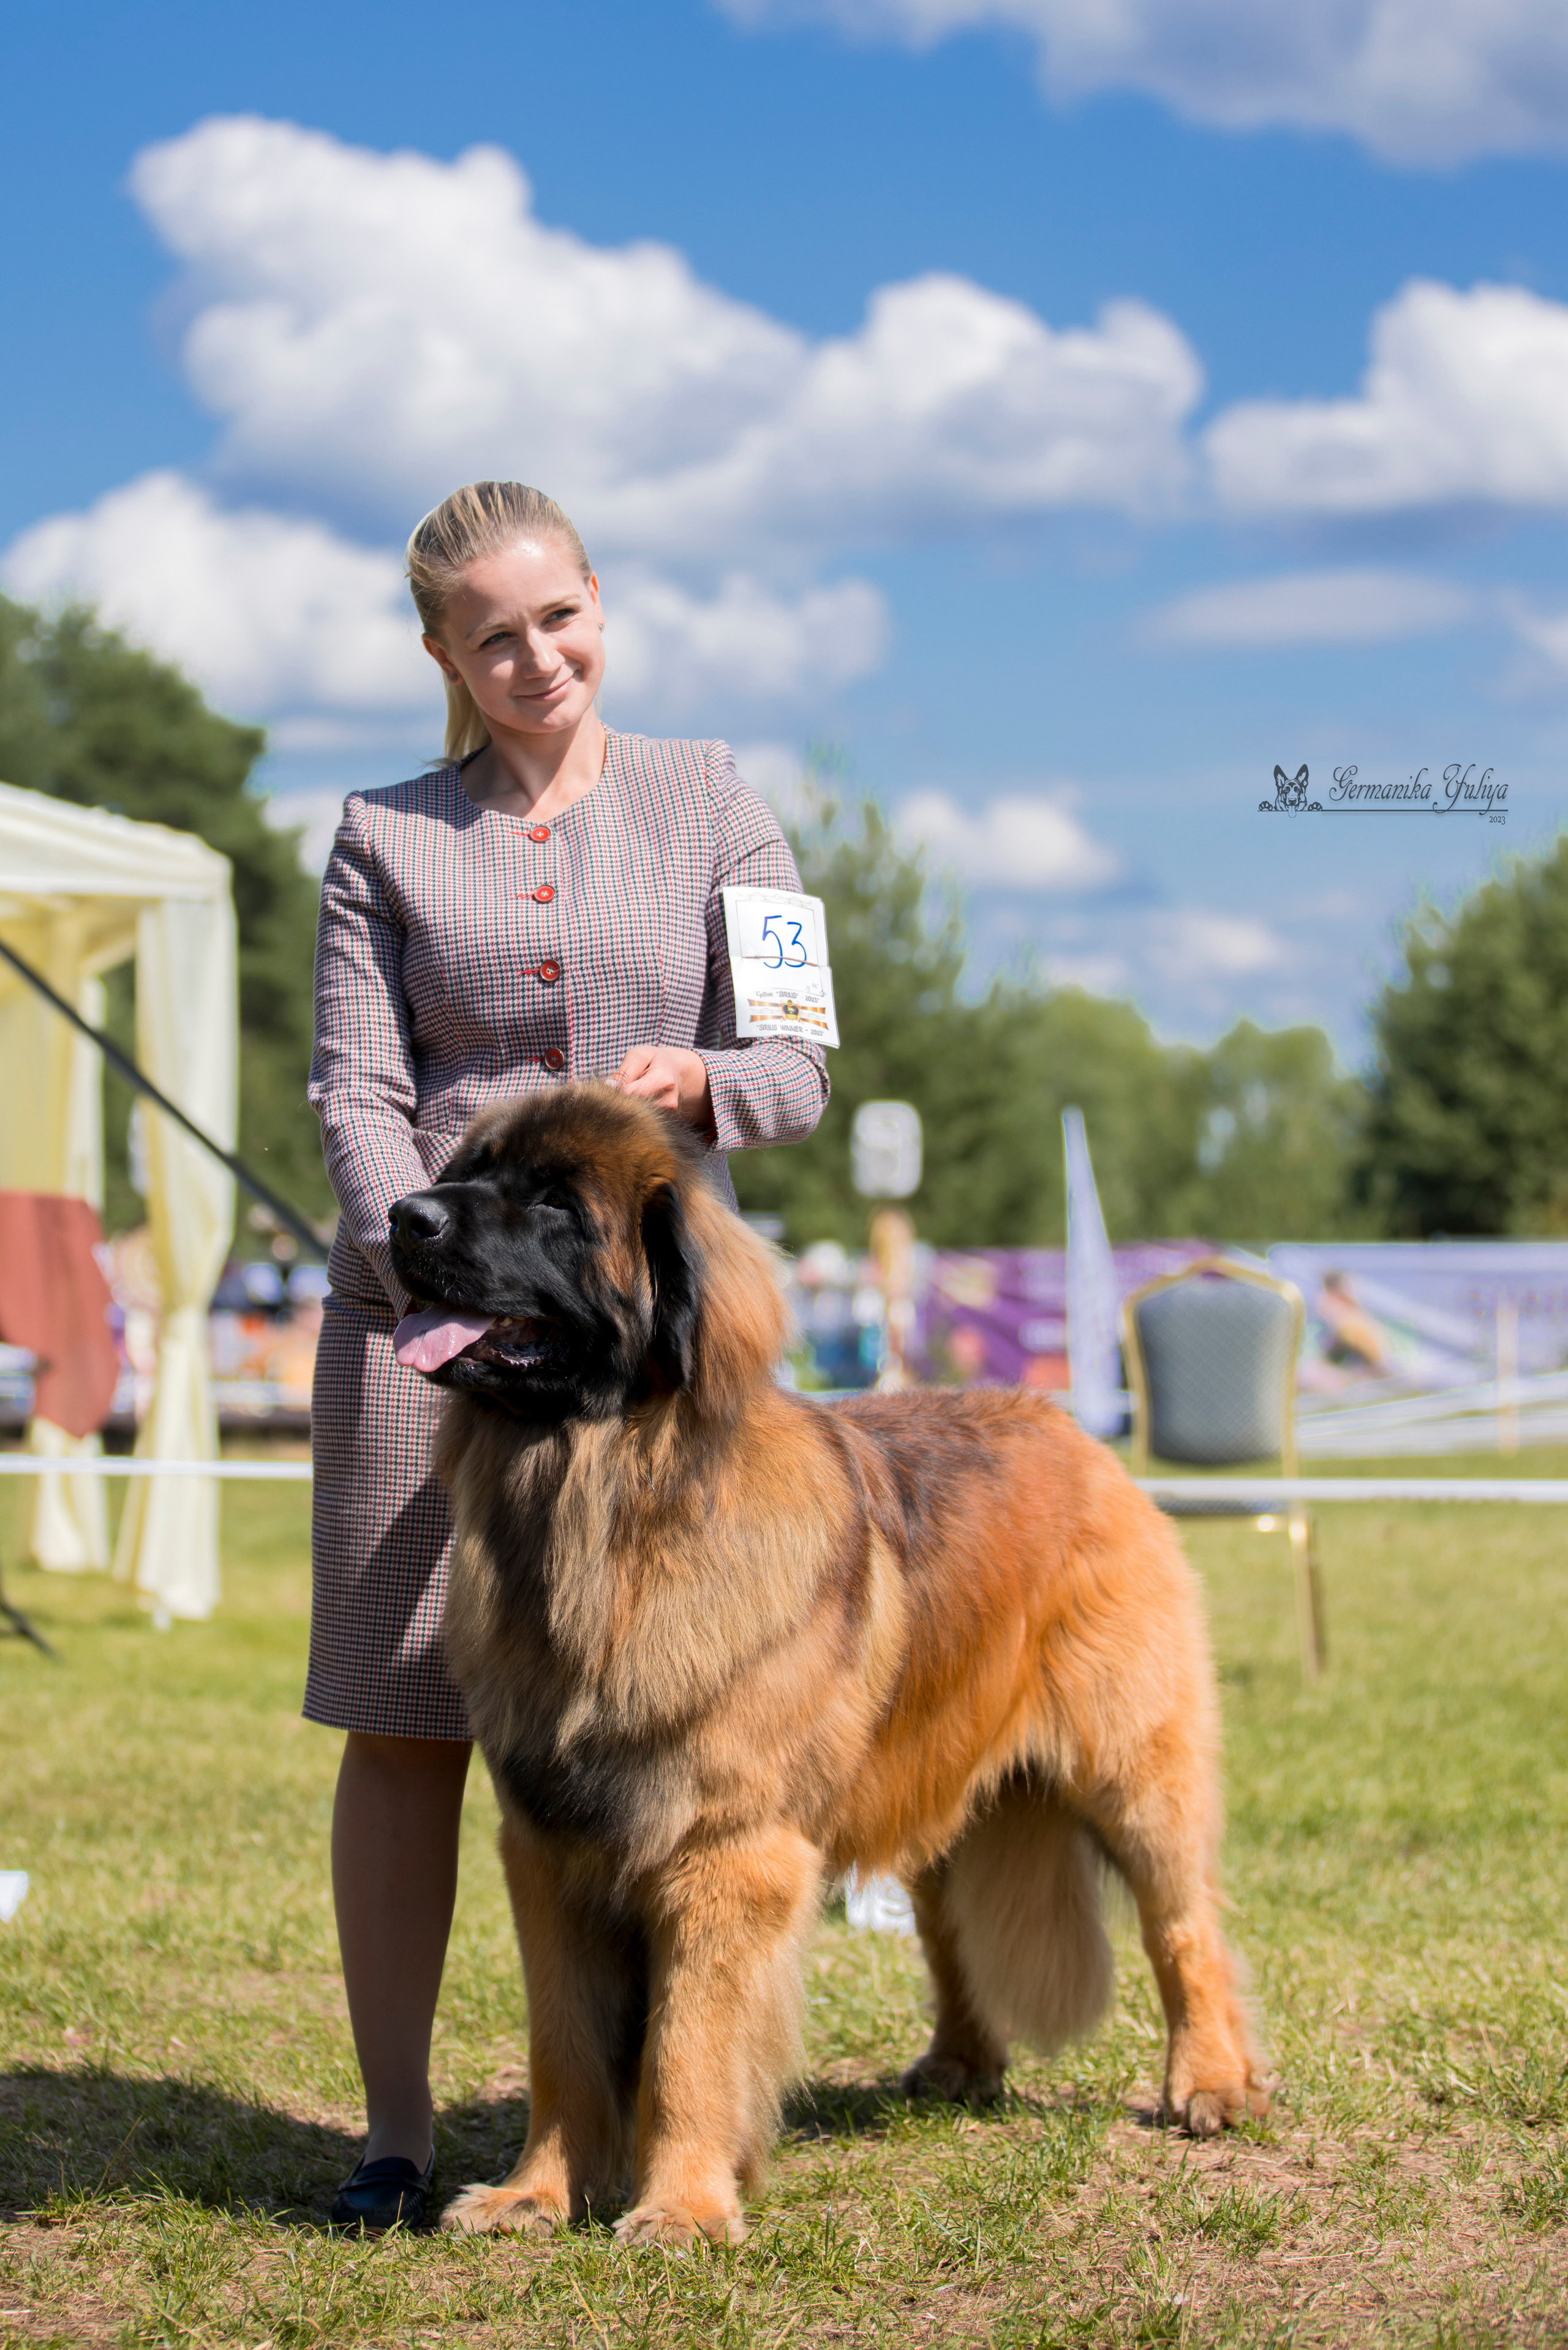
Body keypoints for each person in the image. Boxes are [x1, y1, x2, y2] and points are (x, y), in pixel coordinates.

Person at [305, 480, 828, 2229]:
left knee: (678, 1732)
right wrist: (412, 1271)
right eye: (494, 637)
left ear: (601, 600)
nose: (537, 660)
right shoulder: (381, 833)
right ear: (442, 654)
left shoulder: (713, 796)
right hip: (422, 1324)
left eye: (561, 619)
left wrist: (708, 1083)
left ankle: (639, 2123)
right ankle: (392, 2133)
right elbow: (358, 1091)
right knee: (405, 1721)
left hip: (637, 1346)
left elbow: (804, 1057)